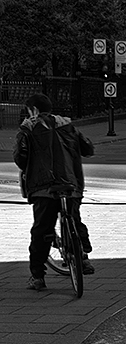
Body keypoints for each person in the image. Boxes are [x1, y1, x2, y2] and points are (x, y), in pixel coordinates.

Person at [13, 93, 95, 291]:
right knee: (73, 216)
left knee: (42, 230)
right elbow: (88, 148)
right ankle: (82, 255)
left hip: (44, 187)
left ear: (33, 110)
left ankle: (38, 277)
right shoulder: (67, 126)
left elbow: (20, 158)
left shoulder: (29, 128)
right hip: (71, 183)